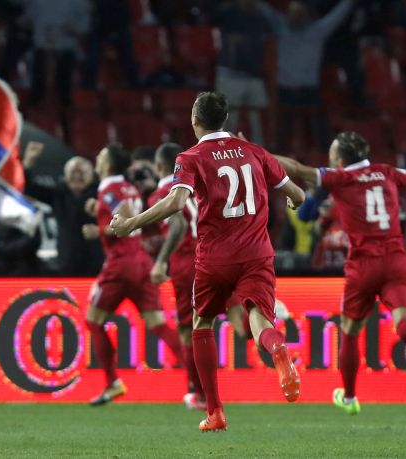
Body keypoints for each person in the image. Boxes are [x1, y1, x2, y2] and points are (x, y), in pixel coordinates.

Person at [110, 92, 305, 431]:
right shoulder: (255, 151)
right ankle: (278, 350)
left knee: (202, 324)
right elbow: (298, 195)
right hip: (257, 253)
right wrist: (292, 203)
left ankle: (214, 411)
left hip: (214, 256)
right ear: (224, 119)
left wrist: (130, 224)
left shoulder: (190, 157)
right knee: (259, 318)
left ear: (195, 120)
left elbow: (176, 203)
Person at [274, 131, 406, 415]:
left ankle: (348, 397)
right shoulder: (388, 172)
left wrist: (255, 153)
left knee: (349, 333)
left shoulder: (340, 178)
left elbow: (298, 169)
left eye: (332, 154)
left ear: (340, 158)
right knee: (405, 329)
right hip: (397, 260)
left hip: (363, 266)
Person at [82, 143, 184, 406]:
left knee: (93, 320)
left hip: (121, 262)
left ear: (108, 164)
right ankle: (196, 380)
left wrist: (100, 230)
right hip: (141, 261)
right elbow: (127, 209)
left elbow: (124, 217)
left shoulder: (109, 186)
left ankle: (113, 383)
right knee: (158, 324)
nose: (97, 156)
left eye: (101, 154)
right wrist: (99, 212)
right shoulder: (128, 187)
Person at [147, 142, 204, 410]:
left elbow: (178, 224)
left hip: (186, 264)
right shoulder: (196, 188)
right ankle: (267, 312)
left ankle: (199, 394)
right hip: (212, 256)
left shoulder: (161, 193)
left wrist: (160, 263)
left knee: (188, 330)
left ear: (159, 166)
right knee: (235, 320)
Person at [257, 0, 354, 152]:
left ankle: (326, 166)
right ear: (288, 14)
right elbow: (264, 9)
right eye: (293, 13)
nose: (296, 16)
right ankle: (279, 167)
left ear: (306, 15)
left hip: (309, 92)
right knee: (282, 137)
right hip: (286, 91)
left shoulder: (317, 31)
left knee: (321, 135)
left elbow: (338, 14)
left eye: (299, 13)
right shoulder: (281, 27)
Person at [23, 141, 104, 276]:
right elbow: (28, 188)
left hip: (96, 264)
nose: (77, 175)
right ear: (65, 176)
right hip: (67, 264)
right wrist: (28, 162)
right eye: (73, 172)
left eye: (81, 172)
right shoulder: (58, 194)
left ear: (92, 174)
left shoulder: (102, 193)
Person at [213, 0, 272, 145]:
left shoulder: (261, 15)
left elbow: (271, 32)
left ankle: (260, 157)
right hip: (230, 75)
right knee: (227, 121)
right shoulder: (227, 13)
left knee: (258, 121)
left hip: (254, 75)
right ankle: (222, 156)